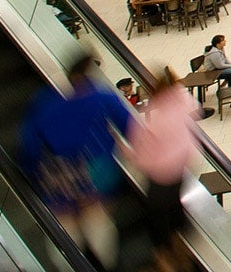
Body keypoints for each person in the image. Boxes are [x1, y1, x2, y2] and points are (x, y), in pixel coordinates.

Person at [19, 54, 131, 269]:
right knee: (96, 217)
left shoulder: (44, 100)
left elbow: (29, 143)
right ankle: (106, 264)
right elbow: (128, 127)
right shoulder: (102, 97)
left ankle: (68, 264)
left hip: (55, 174)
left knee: (65, 223)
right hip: (94, 169)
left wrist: (32, 172)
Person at [127, 66, 198, 269]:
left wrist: (129, 152)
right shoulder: (181, 101)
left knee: (156, 218)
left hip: (160, 175)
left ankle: (165, 259)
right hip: (180, 169)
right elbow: (195, 110)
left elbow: (143, 150)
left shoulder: (156, 113)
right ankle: (183, 254)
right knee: (175, 210)